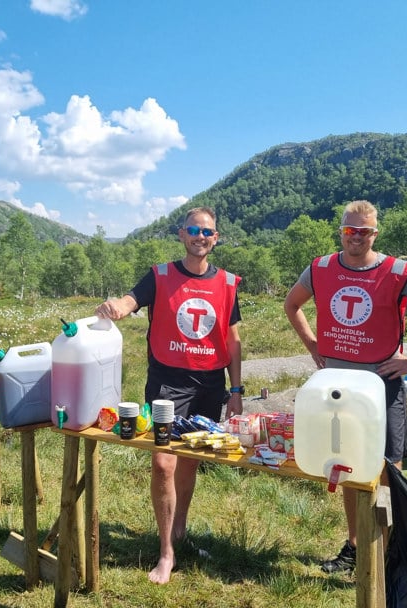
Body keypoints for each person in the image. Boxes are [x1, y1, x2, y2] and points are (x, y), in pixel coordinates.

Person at [283, 199, 407, 573]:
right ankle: (355, 548)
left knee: (386, 470)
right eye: (350, 230)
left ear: (374, 234)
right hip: (336, 387)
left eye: (364, 232)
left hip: (381, 386)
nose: (356, 238)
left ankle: (389, 551)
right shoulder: (320, 268)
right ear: (341, 232)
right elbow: (292, 305)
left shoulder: (398, 272)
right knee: (346, 465)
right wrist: (313, 346)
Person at [95, 206, 243, 584]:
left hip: (210, 385)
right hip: (166, 384)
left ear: (216, 237)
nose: (200, 236)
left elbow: (233, 339)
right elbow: (130, 302)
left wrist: (236, 390)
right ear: (181, 234)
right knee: (163, 463)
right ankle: (165, 553)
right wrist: (117, 308)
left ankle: (179, 531)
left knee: (190, 460)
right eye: (194, 230)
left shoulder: (227, 283)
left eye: (207, 232)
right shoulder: (160, 275)